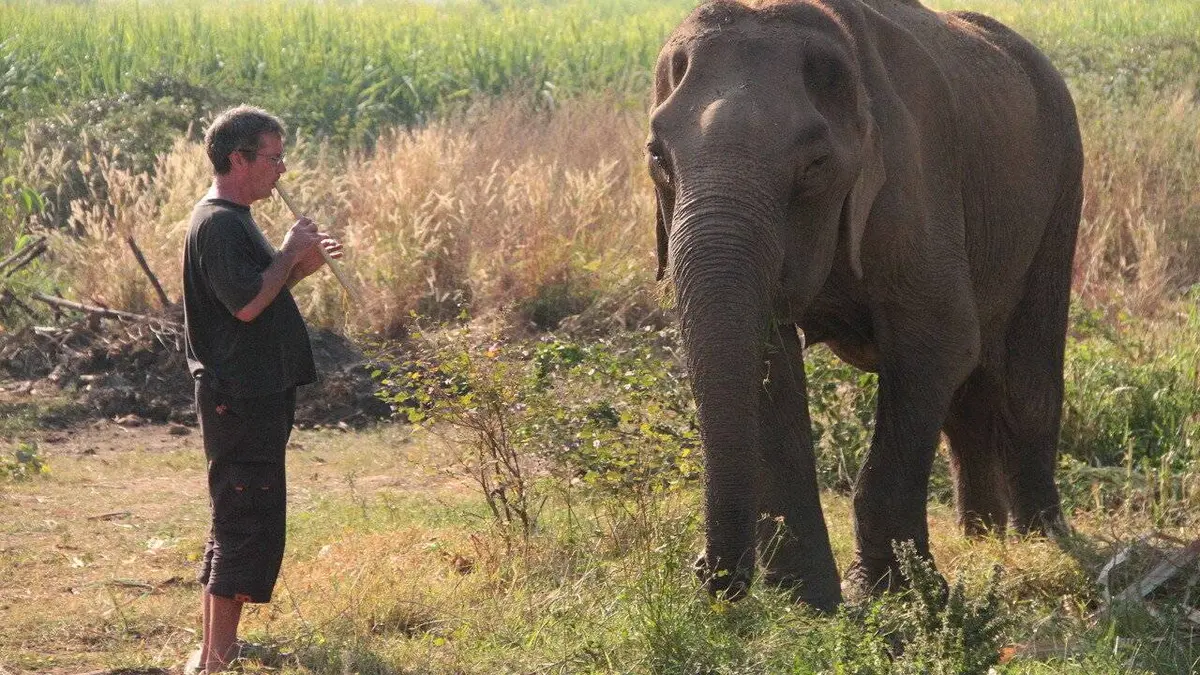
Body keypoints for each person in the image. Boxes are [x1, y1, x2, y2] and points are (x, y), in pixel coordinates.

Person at [182, 105, 341, 673]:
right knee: (243, 522)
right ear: (238, 158)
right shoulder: (220, 222)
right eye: (272, 158)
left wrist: (302, 264)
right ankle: (216, 662)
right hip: (239, 395)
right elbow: (248, 305)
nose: (281, 169)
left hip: (254, 392)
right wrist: (289, 254)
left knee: (237, 517)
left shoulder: (238, 216)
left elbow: (260, 289)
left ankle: (213, 652)